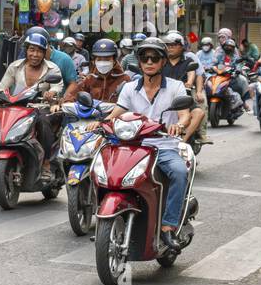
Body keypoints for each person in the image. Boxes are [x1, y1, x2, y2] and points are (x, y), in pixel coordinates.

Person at [107, 37, 204, 251]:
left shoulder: (176, 87)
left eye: (154, 58)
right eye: (144, 58)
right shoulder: (130, 88)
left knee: (179, 172)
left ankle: (168, 226)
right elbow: (116, 114)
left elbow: (185, 115)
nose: (149, 62)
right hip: (133, 147)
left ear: (163, 62)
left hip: (163, 146)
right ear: (139, 62)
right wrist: (99, 123)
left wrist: (178, 125)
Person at [0, 33, 65, 180]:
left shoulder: (53, 69)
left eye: (39, 51)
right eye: (32, 50)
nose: (35, 54)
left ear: (44, 53)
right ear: (26, 50)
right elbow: (3, 87)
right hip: (18, 106)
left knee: (43, 122)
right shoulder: (15, 66)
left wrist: (51, 93)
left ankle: (45, 162)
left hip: (42, 107)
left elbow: (57, 87)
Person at [65, 38, 130, 104]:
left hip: (116, 113)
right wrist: (67, 103)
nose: (103, 62)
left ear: (114, 60)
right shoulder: (89, 79)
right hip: (91, 114)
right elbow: (72, 96)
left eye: (107, 59)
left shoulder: (124, 79)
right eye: (99, 59)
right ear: (94, 61)